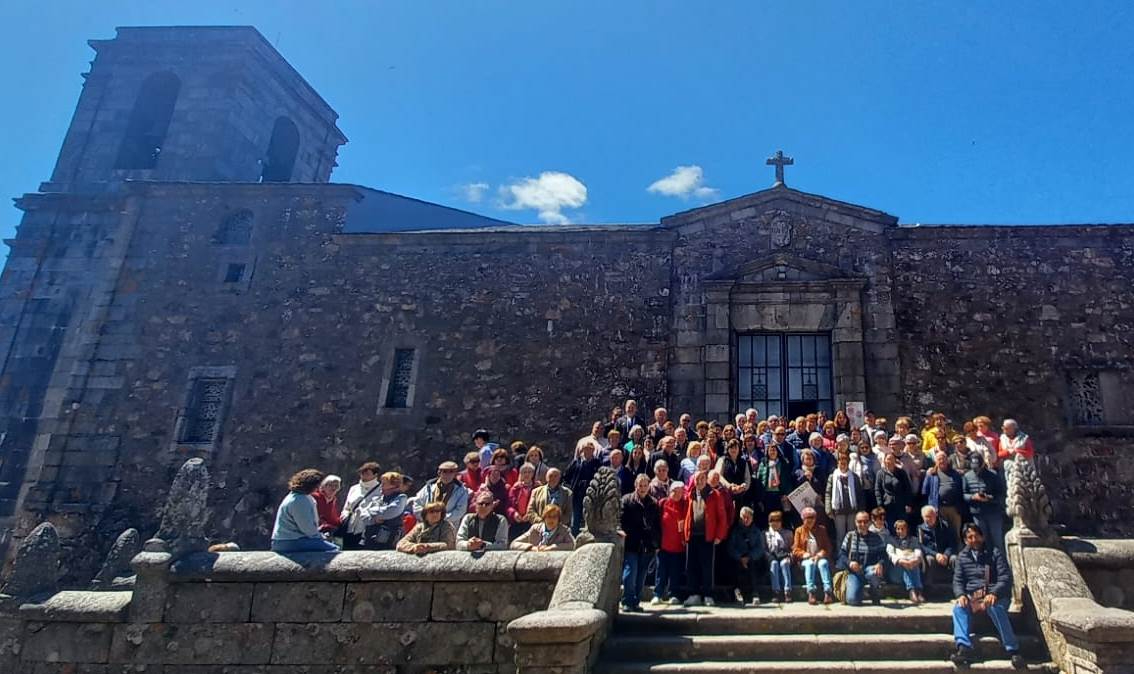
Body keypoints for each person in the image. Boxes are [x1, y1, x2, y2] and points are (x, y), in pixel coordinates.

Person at [950, 524, 1026, 669]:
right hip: (974, 596)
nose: (974, 540)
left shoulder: (994, 553)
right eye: (970, 537)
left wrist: (994, 593)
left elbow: (1005, 577)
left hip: (996, 595)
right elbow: (957, 580)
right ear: (965, 540)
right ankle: (964, 647)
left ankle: (1013, 649)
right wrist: (960, 595)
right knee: (959, 608)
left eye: (976, 536)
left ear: (982, 536)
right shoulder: (962, 557)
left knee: (995, 607)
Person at [684, 470, 727, 607]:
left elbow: (722, 517)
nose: (700, 481)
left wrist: (719, 535)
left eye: (702, 478)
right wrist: (685, 534)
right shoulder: (690, 494)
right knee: (691, 567)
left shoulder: (715, 495)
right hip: (692, 536)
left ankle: (708, 595)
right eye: (697, 479)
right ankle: (694, 595)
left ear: (706, 480)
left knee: (707, 567)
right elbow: (687, 515)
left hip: (707, 536)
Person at [271, 469, 340, 553]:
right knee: (334, 550)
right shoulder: (300, 500)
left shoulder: (298, 496)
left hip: (286, 540)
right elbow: (307, 529)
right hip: (290, 541)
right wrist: (321, 537)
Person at [621, 474, 660, 612]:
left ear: (649, 486)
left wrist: (656, 543)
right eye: (640, 485)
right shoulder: (627, 500)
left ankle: (636, 601)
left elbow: (657, 525)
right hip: (631, 542)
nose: (643, 488)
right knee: (630, 573)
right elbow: (620, 519)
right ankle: (627, 601)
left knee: (641, 575)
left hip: (647, 544)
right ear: (635, 486)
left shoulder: (653, 503)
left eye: (645, 486)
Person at [838, 511, 887, 606]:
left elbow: (883, 555)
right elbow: (841, 555)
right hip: (854, 572)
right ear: (855, 522)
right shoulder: (850, 536)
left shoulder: (876, 537)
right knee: (852, 600)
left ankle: (874, 592)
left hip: (870, 570)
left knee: (874, 573)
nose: (863, 524)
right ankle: (858, 592)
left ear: (869, 522)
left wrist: (880, 564)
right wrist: (849, 563)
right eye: (859, 522)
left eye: (865, 522)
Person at [963, 452, 1006, 554]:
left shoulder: (993, 475)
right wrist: (973, 497)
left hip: (993, 513)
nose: (976, 470)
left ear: (982, 464)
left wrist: (989, 498)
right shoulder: (967, 476)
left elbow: (1001, 494)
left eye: (978, 467)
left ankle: (1001, 562)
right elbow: (964, 494)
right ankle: (987, 562)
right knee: (982, 541)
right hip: (978, 514)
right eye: (974, 468)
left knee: (997, 541)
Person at [792, 506, 834, 604]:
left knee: (823, 563)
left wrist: (820, 554)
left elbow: (828, 547)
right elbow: (795, 549)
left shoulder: (822, 529)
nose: (810, 520)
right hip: (805, 560)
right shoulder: (799, 531)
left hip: (818, 558)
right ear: (803, 519)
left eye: (812, 518)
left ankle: (828, 592)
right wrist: (804, 554)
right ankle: (811, 592)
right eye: (807, 518)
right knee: (810, 564)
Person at [654, 481, 687, 605]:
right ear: (669, 491)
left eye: (680, 492)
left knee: (675, 572)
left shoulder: (684, 505)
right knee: (661, 571)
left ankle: (674, 594)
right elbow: (656, 524)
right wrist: (656, 542)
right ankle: (658, 594)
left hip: (678, 545)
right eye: (674, 491)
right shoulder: (662, 503)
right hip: (663, 545)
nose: (677, 494)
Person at [411, 460, 469, 529]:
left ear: (455, 474)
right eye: (444, 471)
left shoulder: (461, 490)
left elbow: (460, 511)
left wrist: (440, 518)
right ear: (439, 473)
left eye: (451, 472)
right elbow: (417, 504)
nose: (447, 475)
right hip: (425, 525)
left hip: (448, 528)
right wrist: (427, 517)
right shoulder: (428, 487)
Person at [339, 461, 383, 550]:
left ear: (375, 475)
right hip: (350, 525)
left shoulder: (381, 490)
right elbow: (347, 506)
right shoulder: (354, 488)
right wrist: (344, 515)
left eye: (367, 474)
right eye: (362, 473)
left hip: (366, 527)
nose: (363, 476)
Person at [922, 451, 964, 541]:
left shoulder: (955, 474)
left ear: (947, 460)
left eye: (944, 458)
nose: (942, 461)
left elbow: (961, 490)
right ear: (936, 461)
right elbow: (925, 491)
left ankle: (957, 549)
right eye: (939, 459)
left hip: (954, 508)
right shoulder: (931, 474)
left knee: (956, 533)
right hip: (939, 508)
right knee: (942, 533)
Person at [728, 506, 766, 606]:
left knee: (754, 567)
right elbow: (731, 547)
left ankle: (755, 594)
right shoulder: (735, 531)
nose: (745, 520)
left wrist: (749, 557)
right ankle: (738, 593)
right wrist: (740, 558)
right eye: (743, 517)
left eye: (748, 517)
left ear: (752, 518)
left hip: (752, 557)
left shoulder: (756, 531)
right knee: (735, 567)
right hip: (739, 557)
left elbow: (760, 548)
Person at [826, 452, 864, 547]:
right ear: (837, 463)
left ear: (848, 463)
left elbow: (860, 494)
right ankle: (841, 553)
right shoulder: (832, 477)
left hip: (852, 510)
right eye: (841, 463)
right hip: (838, 510)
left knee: (852, 534)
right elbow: (828, 493)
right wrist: (828, 509)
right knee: (840, 535)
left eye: (845, 463)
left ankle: (852, 553)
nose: (843, 465)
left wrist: (861, 510)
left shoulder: (854, 477)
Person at [363, 472, 409, 550]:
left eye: (384, 484)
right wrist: (374, 519)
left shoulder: (401, 498)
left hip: (389, 539)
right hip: (370, 538)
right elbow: (364, 513)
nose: (381, 486)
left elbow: (390, 511)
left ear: (394, 485)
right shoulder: (377, 498)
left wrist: (373, 511)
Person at [564, 440, 601, 533]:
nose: (588, 451)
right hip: (577, 493)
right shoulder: (576, 462)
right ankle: (574, 536)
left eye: (590, 449)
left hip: (591, 494)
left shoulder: (597, 463)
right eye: (586, 449)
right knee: (575, 517)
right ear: (582, 450)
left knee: (590, 517)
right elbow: (566, 476)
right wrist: (571, 486)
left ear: (593, 450)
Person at [888, 519, 926, 603]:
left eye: (903, 529)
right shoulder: (891, 540)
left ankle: (918, 592)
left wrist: (915, 560)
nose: (900, 531)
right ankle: (912, 590)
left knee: (914, 563)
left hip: (912, 568)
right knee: (905, 564)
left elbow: (918, 551)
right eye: (898, 529)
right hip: (897, 572)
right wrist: (901, 561)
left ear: (907, 529)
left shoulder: (913, 539)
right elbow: (890, 554)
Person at [756, 443, 794, 525]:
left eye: (774, 450)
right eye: (770, 450)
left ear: (777, 452)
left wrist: (786, 493)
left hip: (779, 494)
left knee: (779, 515)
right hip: (766, 494)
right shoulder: (763, 463)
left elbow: (787, 479)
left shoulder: (783, 463)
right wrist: (759, 495)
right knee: (767, 515)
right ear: (767, 452)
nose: (772, 452)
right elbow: (759, 478)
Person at [510, 504, 575, 551]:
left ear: (559, 519)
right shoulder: (535, 529)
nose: (551, 519)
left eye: (554, 517)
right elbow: (514, 544)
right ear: (544, 517)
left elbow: (573, 544)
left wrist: (552, 547)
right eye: (549, 516)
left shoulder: (564, 530)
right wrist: (532, 548)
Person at [919, 504, 957, 584]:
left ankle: (956, 584)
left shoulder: (945, 526)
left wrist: (946, 555)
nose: (928, 519)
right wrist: (936, 554)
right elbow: (921, 546)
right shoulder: (920, 529)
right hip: (932, 554)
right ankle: (929, 586)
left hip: (945, 554)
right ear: (922, 517)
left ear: (935, 515)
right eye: (926, 517)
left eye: (931, 516)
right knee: (929, 559)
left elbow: (952, 543)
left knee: (954, 558)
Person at [875, 452, 914, 529]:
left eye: (892, 459)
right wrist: (880, 506)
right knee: (890, 527)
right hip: (887, 506)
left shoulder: (901, 472)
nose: (890, 461)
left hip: (901, 505)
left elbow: (907, 489)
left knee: (902, 527)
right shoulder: (880, 473)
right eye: (888, 459)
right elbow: (878, 490)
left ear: (895, 460)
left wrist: (909, 504)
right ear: (884, 460)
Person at [716, 438, 752, 517]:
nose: (733, 450)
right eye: (731, 447)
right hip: (725, 494)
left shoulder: (743, 462)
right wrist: (729, 486)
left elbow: (747, 478)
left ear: (739, 449)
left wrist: (743, 487)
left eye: (736, 448)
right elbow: (719, 476)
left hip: (741, 495)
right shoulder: (722, 460)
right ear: (728, 449)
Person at [765, 510, 794, 602]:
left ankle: (787, 591)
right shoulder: (765, 534)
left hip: (784, 556)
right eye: (772, 521)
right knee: (774, 564)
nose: (775, 523)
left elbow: (792, 547)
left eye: (777, 520)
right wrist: (770, 557)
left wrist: (790, 556)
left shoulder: (788, 533)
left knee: (784, 564)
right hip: (771, 557)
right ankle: (776, 591)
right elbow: (764, 550)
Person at [507, 462, 538, 539]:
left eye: (529, 472)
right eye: (524, 472)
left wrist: (530, 514)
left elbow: (540, 505)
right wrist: (514, 513)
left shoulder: (538, 488)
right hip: (517, 520)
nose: (527, 474)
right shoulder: (515, 488)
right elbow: (508, 505)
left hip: (532, 522)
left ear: (533, 474)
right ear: (520, 474)